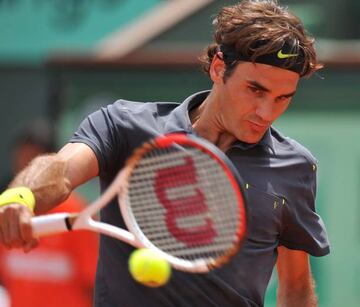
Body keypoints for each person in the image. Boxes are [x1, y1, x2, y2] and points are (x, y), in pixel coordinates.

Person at [0, 1, 330, 306]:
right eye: (255, 90)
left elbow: (296, 284)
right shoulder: (122, 126)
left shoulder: (294, 167)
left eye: (283, 98)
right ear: (218, 68)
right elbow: (61, 168)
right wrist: (20, 198)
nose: (266, 112)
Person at [0, 120, 98, 307]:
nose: (24, 171)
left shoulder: (75, 211)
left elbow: (91, 281)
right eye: (20, 160)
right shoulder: (7, 210)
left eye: (30, 163)